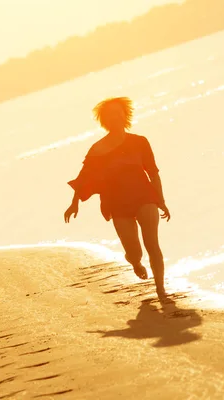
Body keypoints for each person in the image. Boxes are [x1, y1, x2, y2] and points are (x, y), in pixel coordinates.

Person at [64, 97, 170, 299]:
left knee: (152, 245)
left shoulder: (140, 141)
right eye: (109, 114)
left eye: (118, 112)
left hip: (144, 196)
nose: (115, 117)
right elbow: (84, 177)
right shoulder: (98, 149)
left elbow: (153, 173)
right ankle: (135, 262)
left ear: (125, 115)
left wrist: (161, 200)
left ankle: (160, 289)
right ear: (104, 120)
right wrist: (74, 203)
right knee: (135, 251)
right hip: (117, 203)